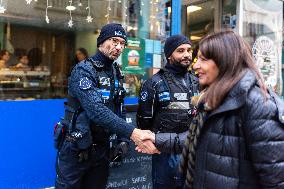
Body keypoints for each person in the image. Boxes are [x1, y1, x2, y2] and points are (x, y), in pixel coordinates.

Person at [54, 23, 154, 189]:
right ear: (101, 42)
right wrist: (133, 133)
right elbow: (97, 111)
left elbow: (118, 107)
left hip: (101, 151)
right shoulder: (84, 70)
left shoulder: (116, 72)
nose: (118, 47)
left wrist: (123, 141)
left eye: (122, 43)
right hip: (76, 148)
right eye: (114, 41)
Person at [179, 30, 284, 189]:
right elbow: (203, 142)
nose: (196, 65)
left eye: (204, 59)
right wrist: (156, 140)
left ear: (225, 61)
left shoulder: (257, 104)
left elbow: (276, 179)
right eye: (197, 58)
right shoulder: (214, 99)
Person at [136, 34, 199, 189]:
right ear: (170, 55)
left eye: (189, 50)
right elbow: (144, 120)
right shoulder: (154, 83)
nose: (187, 54)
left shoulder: (197, 82)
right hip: (164, 153)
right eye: (181, 50)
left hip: (191, 150)